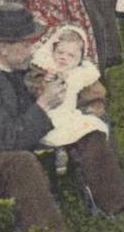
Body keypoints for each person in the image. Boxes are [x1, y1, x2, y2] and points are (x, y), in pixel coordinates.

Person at [0, 4, 124, 232]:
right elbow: (7, 141)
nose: (31, 49)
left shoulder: (18, 69)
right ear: (3, 47)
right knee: (22, 162)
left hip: (21, 136)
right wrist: (44, 105)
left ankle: (117, 207)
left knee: (89, 133)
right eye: (25, 44)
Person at [26, 25, 109, 176]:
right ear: (52, 50)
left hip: (70, 114)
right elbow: (31, 89)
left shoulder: (81, 74)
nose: (63, 58)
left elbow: (95, 96)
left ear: (80, 58)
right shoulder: (45, 68)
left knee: (84, 127)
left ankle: (76, 157)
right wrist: (44, 82)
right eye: (60, 52)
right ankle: (58, 153)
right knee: (55, 132)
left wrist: (91, 110)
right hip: (49, 115)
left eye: (71, 56)